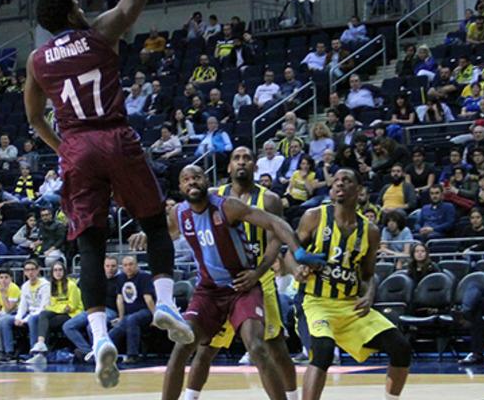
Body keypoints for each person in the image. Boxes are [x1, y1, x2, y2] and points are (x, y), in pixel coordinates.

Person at [24, 0, 191, 388]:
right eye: (77, 2)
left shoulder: (38, 61)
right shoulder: (100, 31)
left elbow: (35, 119)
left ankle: (99, 338)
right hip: (115, 135)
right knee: (155, 222)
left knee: (90, 245)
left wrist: (66, 150)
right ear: (73, 11)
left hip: (77, 146)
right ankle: (166, 303)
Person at [129, 165, 324, 400]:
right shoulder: (179, 214)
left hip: (242, 287)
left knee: (258, 347)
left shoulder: (227, 206)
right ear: (180, 187)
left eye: (197, 177)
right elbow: (162, 235)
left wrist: (298, 251)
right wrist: (147, 235)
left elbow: (274, 223)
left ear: (206, 181)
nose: (192, 182)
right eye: (186, 179)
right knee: (182, 348)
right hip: (208, 292)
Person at [295, 169, 411, 400]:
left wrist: (369, 296)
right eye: (336, 180)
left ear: (358, 191)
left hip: (349, 306)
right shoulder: (314, 216)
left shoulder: (370, 230)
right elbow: (290, 251)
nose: (339, 184)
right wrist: (296, 268)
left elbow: (368, 274)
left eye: (346, 181)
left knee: (400, 347)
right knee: (324, 351)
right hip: (316, 302)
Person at [63, 256, 120, 361]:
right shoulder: (97, 279)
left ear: (117, 267)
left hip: (110, 311)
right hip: (93, 309)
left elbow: (121, 300)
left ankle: (99, 353)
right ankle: (88, 351)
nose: (110, 268)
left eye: (113, 266)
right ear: (103, 267)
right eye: (107, 266)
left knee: (91, 326)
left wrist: (121, 316)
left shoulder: (121, 280)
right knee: (68, 326)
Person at [27, 261, 84, 363]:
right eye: (55, 270)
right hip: (60, 312)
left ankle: (43, 354)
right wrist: (59, 308)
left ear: (64, 271)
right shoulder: (52, 286)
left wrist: (58, 308)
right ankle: (41, 345)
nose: (58, 272)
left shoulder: (71, 285)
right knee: (43, 315)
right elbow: (52, 305)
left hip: (73, 314)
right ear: (52, 273)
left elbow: (72, 305)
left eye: (60, 270)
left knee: (46, 323)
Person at [0, 259, 50, 364]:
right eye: (27, 270)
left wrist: (24, 320)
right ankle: (9, 353)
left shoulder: (45, 285)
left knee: (32, 320)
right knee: (4, 320)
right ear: (24, 272)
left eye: (32, 270)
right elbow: (22, 306)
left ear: (38, 270)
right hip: (28, 314)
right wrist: (18, 318)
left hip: (42, 314)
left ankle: (35, 353)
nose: (30, 272)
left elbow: (43, 307)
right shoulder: (25, 286)